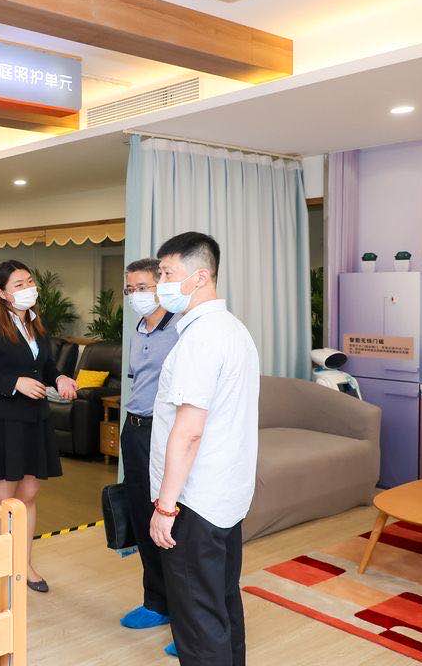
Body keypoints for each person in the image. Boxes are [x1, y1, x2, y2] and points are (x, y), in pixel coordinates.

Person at [148, 231, 260, 665]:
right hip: (226, 494)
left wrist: (166, 507)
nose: (161, 283)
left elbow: (189, 431)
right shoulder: (233, 330)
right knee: (222, 600)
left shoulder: (201, 339)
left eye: (167, 273)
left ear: (199, 277)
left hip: (193, 501)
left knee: (196, 616)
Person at [0, 260, 78, 593]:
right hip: (0, 421)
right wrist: (15, 383)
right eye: (18, 284)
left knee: (28, 494)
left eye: (29, 282)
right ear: (1, 292)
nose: (27, 289)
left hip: (33, 419)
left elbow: (47, 365)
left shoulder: (35, 322)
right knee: (1, 497)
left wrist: (59, 378)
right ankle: (0, 567)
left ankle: (23, 564)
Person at [118, 258, 181, 639]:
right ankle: (156, 602)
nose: (135, 296)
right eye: (130, 290)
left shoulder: (180, 330)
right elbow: (138, 383)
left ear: (162, 286)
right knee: (143, 516)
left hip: (166, 432)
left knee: (172, 521)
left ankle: (185, 616)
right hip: (135, 429)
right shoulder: (139, 330)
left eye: (143, 288)